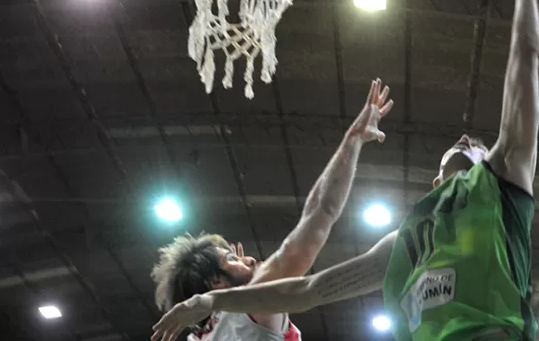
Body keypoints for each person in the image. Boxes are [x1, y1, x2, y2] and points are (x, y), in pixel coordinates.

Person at [152, 0, 539, 341]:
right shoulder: (405, 237)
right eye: (228, 260)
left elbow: (525, 62)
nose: (464, 139)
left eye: (475, 145)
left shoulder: (498, 185)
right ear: (436, 180)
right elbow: (313, 253)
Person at [150, 79, 394, 341]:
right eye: (231, 259)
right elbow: (321, 211)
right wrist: (353, 139)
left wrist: (236, 270)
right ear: (215, 284)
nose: (251, 259)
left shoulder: (198, 337)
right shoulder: (252, 305)